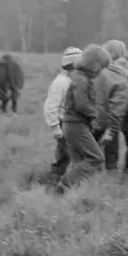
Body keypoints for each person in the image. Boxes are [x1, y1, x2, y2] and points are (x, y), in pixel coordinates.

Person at [57, 44, 109, 192]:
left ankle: (72, 193)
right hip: (76, 126)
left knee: (78, 161)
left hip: (74, 125)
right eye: (102, 68)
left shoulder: (81, 77)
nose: (101, 72)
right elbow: (81, 104)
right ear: (95, 66)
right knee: (96, 158)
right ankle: (64, 185)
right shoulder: (81, 80)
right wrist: (95, 113)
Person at [43, 46, 81, 180]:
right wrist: (55, 127)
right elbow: (51, 106)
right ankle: (54, 182)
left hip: (69, 123)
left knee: (66, 156)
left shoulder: (70, 80)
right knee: (65, 156)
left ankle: (56, 180)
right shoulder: (60, 83)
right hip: (63, 124)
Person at [95, 40, 128, 173]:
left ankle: (90, 182)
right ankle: (110, 183)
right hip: (109, 121)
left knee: (90, 155)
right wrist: (112, 128)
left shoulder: (95, 70)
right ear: (120, 53)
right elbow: (118, 105)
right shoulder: (118, 74)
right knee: (111, 156)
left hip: (91, 119)